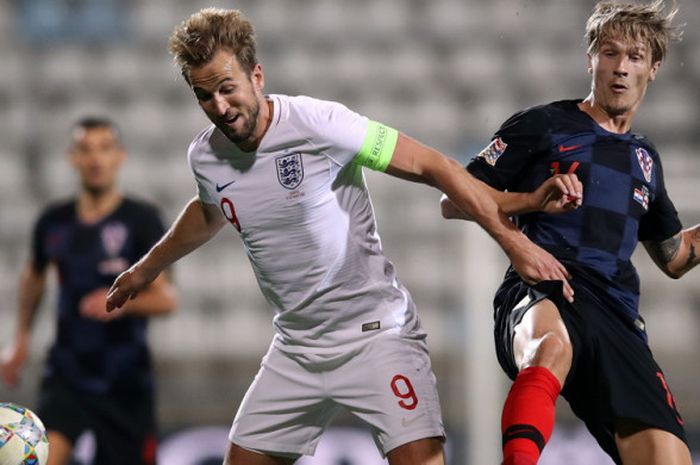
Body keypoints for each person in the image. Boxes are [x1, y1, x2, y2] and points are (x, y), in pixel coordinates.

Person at [105, 8, 581, 465]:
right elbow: (209, 213)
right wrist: (145, 269)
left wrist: (512, 239)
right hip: (296, 347)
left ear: (257, 76)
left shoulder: (318, 124)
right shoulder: (205, 156)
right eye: (204, 96)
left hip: (375, 334)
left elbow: (434, 166)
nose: (219, 108)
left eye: (227, 89)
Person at [441, 1, 697, 464]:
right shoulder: (543, 125)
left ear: (654, 68)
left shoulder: (645, 159)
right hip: (545, 285)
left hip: (616, 315)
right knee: (551, 345)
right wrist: (529, 201)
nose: (620, 68)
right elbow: (454, 198)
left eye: (635, 57)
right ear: (590, 59)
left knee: (669, 458)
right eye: (610, 53)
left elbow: (675, 257)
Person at [1, 116, 177, 465]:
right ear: (73, 158)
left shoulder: (141, 220)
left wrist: (122, 304)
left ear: (119, 156)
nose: (95, 159)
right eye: (85, 150)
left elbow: (167, 299)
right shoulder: (54, 222)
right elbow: (34, 275)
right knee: (46, 456)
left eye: (104, 149)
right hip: (68, 372)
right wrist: (20, 339)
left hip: (124, 380)